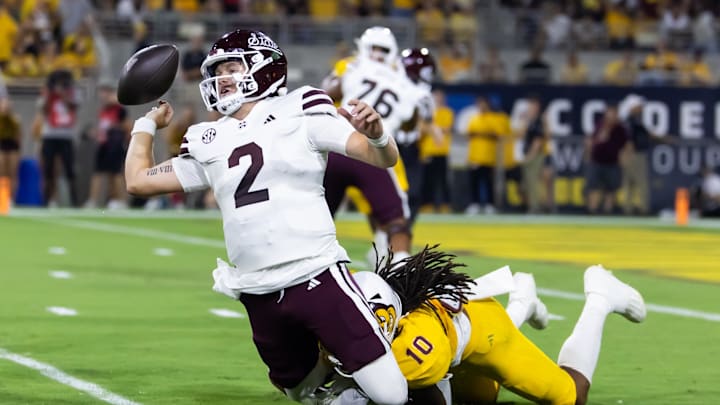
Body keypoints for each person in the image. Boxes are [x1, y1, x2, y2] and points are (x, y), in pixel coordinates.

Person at [123, 29, 408, 405]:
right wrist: (145, 126)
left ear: (264, 68)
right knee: (303, 392)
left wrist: (376, 137)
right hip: (258, 290)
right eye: (217, 70)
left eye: (230, 67)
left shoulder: (302, 108)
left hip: (315, 274)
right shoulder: (209, 137)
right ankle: (341, 360)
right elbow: (138, 181)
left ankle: (374, 300)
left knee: (392, 395)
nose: (220, 79)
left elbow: (380, 158)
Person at [349, 245, 646, 404]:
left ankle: (600, 297)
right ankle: (523, 302)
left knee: (571, 397)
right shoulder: (351, 312)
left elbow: (426, 392)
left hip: (485, 330)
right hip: (453, 336)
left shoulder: (415, 354)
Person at [322, 26, 424, 264]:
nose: (377, 53)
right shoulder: (405, 81)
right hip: (375, 150)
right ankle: (399, 265)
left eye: (382, 49)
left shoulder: (353, 66)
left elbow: (325, 93)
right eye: (375, 48)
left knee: (318, 219)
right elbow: (410, 123)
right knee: (396, 220)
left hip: (339, 144)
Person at [32, 69, 80, 207]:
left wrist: (63, 95)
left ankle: (74, 201)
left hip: (66, 136)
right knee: (48, 170)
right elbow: (44, 109)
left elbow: (74, 106)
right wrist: (50, 94)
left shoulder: (72, 92)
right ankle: (46, 200)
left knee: (69, 169)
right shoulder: (47, 93)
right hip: (50, 135)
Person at [85, 79, 130, 209]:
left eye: (105, 92)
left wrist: (115, 130)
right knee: (98, 172)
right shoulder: (104, 110)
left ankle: (121, 200)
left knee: (115, 173)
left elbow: (127, 127)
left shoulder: (119, 109)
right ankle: (93, 200)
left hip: (115, 144)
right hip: (104, 144)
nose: (103, 95)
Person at [585, 104, 629, 215]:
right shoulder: (599, 125)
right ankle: (592, 211)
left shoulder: (620, 129)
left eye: (613, 114)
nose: (610, 117)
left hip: (612, 162)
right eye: (609, 114)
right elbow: (591, 141)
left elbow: (626, 145)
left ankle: (607, 211)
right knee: (593, 187)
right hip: (597, 161)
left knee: (611, 189)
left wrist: (624, 157)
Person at [0, 96, 21, 198]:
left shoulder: (15, 120)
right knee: (3, 172)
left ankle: (12, 197)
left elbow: (18, 136)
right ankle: (3, 197)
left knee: (12, 173)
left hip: (12, 146)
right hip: (2, 145)